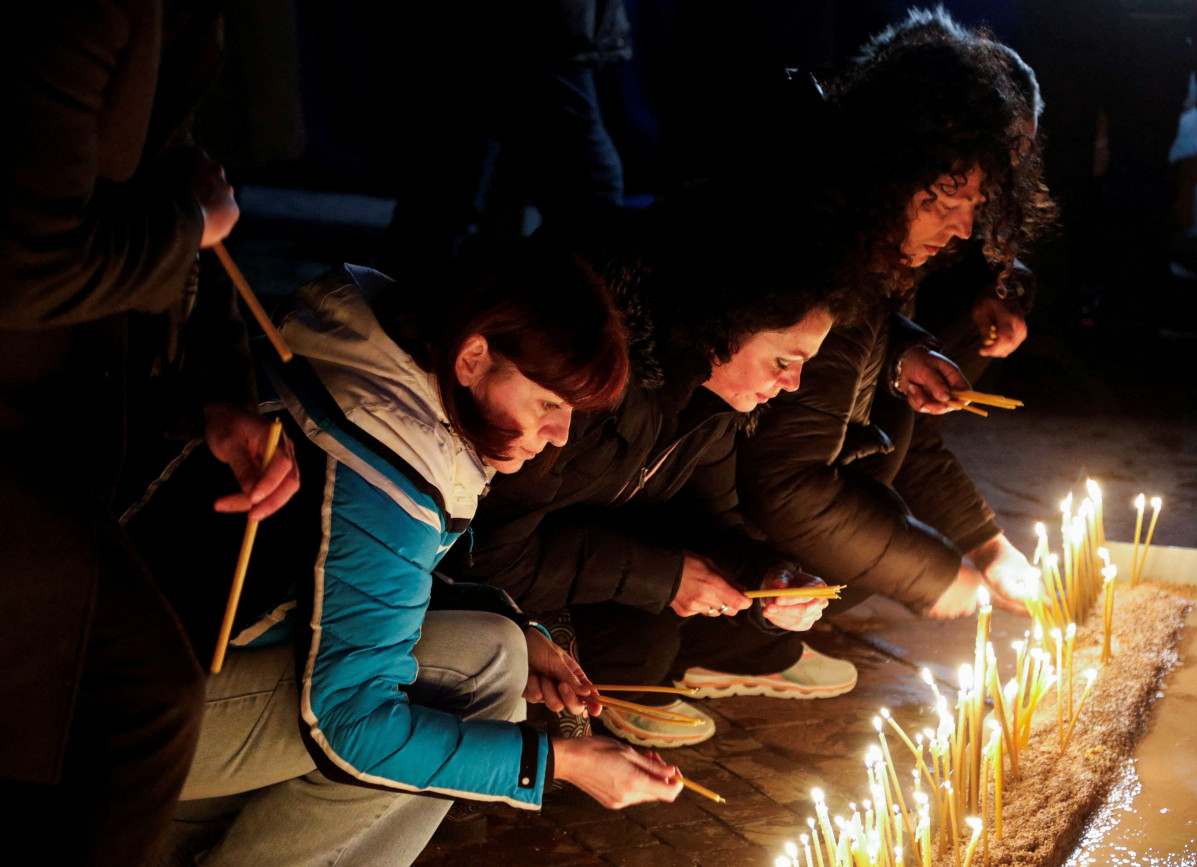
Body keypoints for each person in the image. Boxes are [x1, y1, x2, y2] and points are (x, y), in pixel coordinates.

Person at [127, 245, 684, 865]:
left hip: (186, 679)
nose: (560, 436)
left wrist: (517, 625)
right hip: (120, 719)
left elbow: (341, 575)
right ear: (472, 358)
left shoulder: (385, 380)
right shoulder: (380, 453)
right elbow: (352, 722)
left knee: (498, 651)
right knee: (468, 679)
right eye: (549, 404)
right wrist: (557, 764)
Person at [0, 4, 296, 863]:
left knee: (136, 704)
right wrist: (186, 224)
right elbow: (24, 262)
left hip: (62, 428)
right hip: (22, 433)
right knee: (139, 701)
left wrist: (221, 393)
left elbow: (173, 171)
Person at [444, 188, 868, 748]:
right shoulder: (588, 389)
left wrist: (765, 578)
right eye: (783, 360)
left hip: (569, 564)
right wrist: (663, 578)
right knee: (633, 655)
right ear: (727, 323)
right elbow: (485, 554)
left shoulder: (710, 403)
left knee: (836, 580)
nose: (792, 384)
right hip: (480, 585)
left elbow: (707, 521)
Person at [736, 10, 1054, 622]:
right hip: (716, 533)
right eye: (951, 197)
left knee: (867, 535)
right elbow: (780, 480)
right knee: (846, 564)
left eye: (983, 198)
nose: (968, 227)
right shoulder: (828, 263)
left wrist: (984, 545)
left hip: (758, 503)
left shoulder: (888, 244)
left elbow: (902, 421)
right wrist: (935, 575)